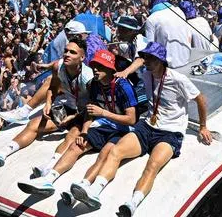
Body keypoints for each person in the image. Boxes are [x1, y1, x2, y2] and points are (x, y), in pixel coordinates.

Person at [69, 42, 211, 217]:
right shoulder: (146, 75)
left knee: (152, 165)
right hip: (147, 126)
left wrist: (203, 126)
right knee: (116, 151)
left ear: (161, 60)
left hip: (170, 132)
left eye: (151, 58)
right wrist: (126, 71)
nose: (147, 61)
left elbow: (200, 99)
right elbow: (136, 63)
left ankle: (133, 203)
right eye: (146, 57)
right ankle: (95, 191)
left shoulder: (178, 79)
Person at [17, 48, 138, 196]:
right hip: (103, 124)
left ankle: (87, 188)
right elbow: (90, 111)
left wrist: (103, 113)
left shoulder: (123, 86)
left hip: (122, 130)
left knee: (105, 155)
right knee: (76, 145)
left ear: (109, 69)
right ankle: (48, 180)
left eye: (99, 67)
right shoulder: (95, 84)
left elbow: (131, 120)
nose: (95, 70)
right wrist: (85, 132)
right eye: (94, 66)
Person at [0, 39, 92, 168]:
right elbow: (53, 87)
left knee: (73, 135)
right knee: (33, 124)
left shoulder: (88, 77)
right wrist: (48, 103)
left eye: (72, 52)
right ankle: (1, 153)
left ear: (82, 57)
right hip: (69, 107)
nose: (67, 54)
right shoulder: (59, 66)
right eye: (66, 51)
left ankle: (49, 168)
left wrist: (73, 118)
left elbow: (95, 106)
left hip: (85, 114)